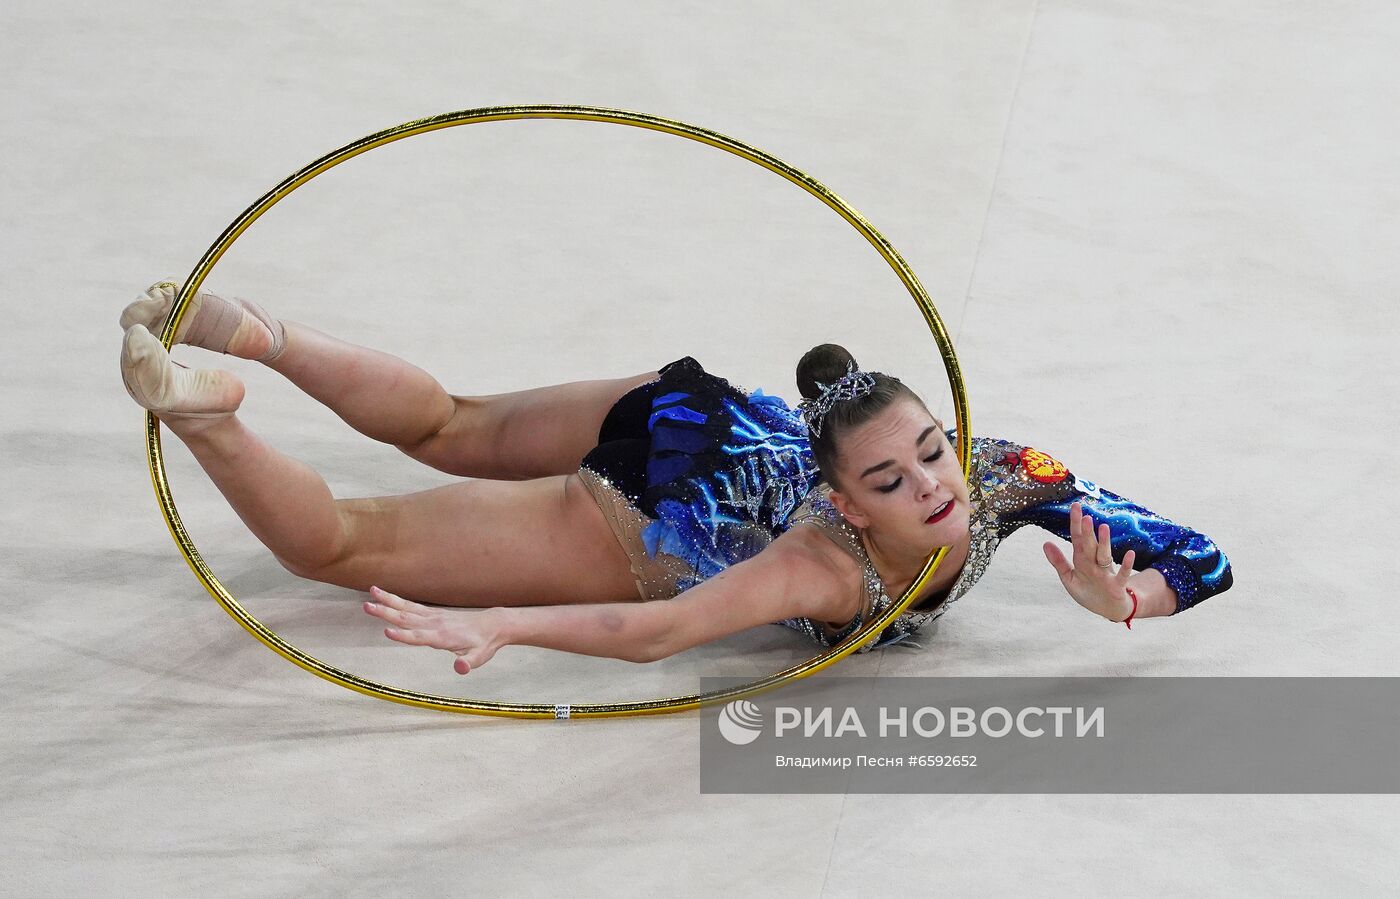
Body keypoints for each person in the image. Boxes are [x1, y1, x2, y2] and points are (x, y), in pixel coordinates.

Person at [119, 279, 1234, 675]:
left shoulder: (1004, 472)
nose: (937, 489)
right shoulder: (819, 563)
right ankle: (213, 405)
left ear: (953, 434)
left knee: (452, 424)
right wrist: (511, 621)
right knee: (337, 545)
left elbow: (1200, 557)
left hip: (704, 412)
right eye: (891, 479)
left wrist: (1124, 597)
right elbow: (655, 630)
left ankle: (261, 333)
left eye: (932, 452)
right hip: (658, 506)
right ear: (842, 500)